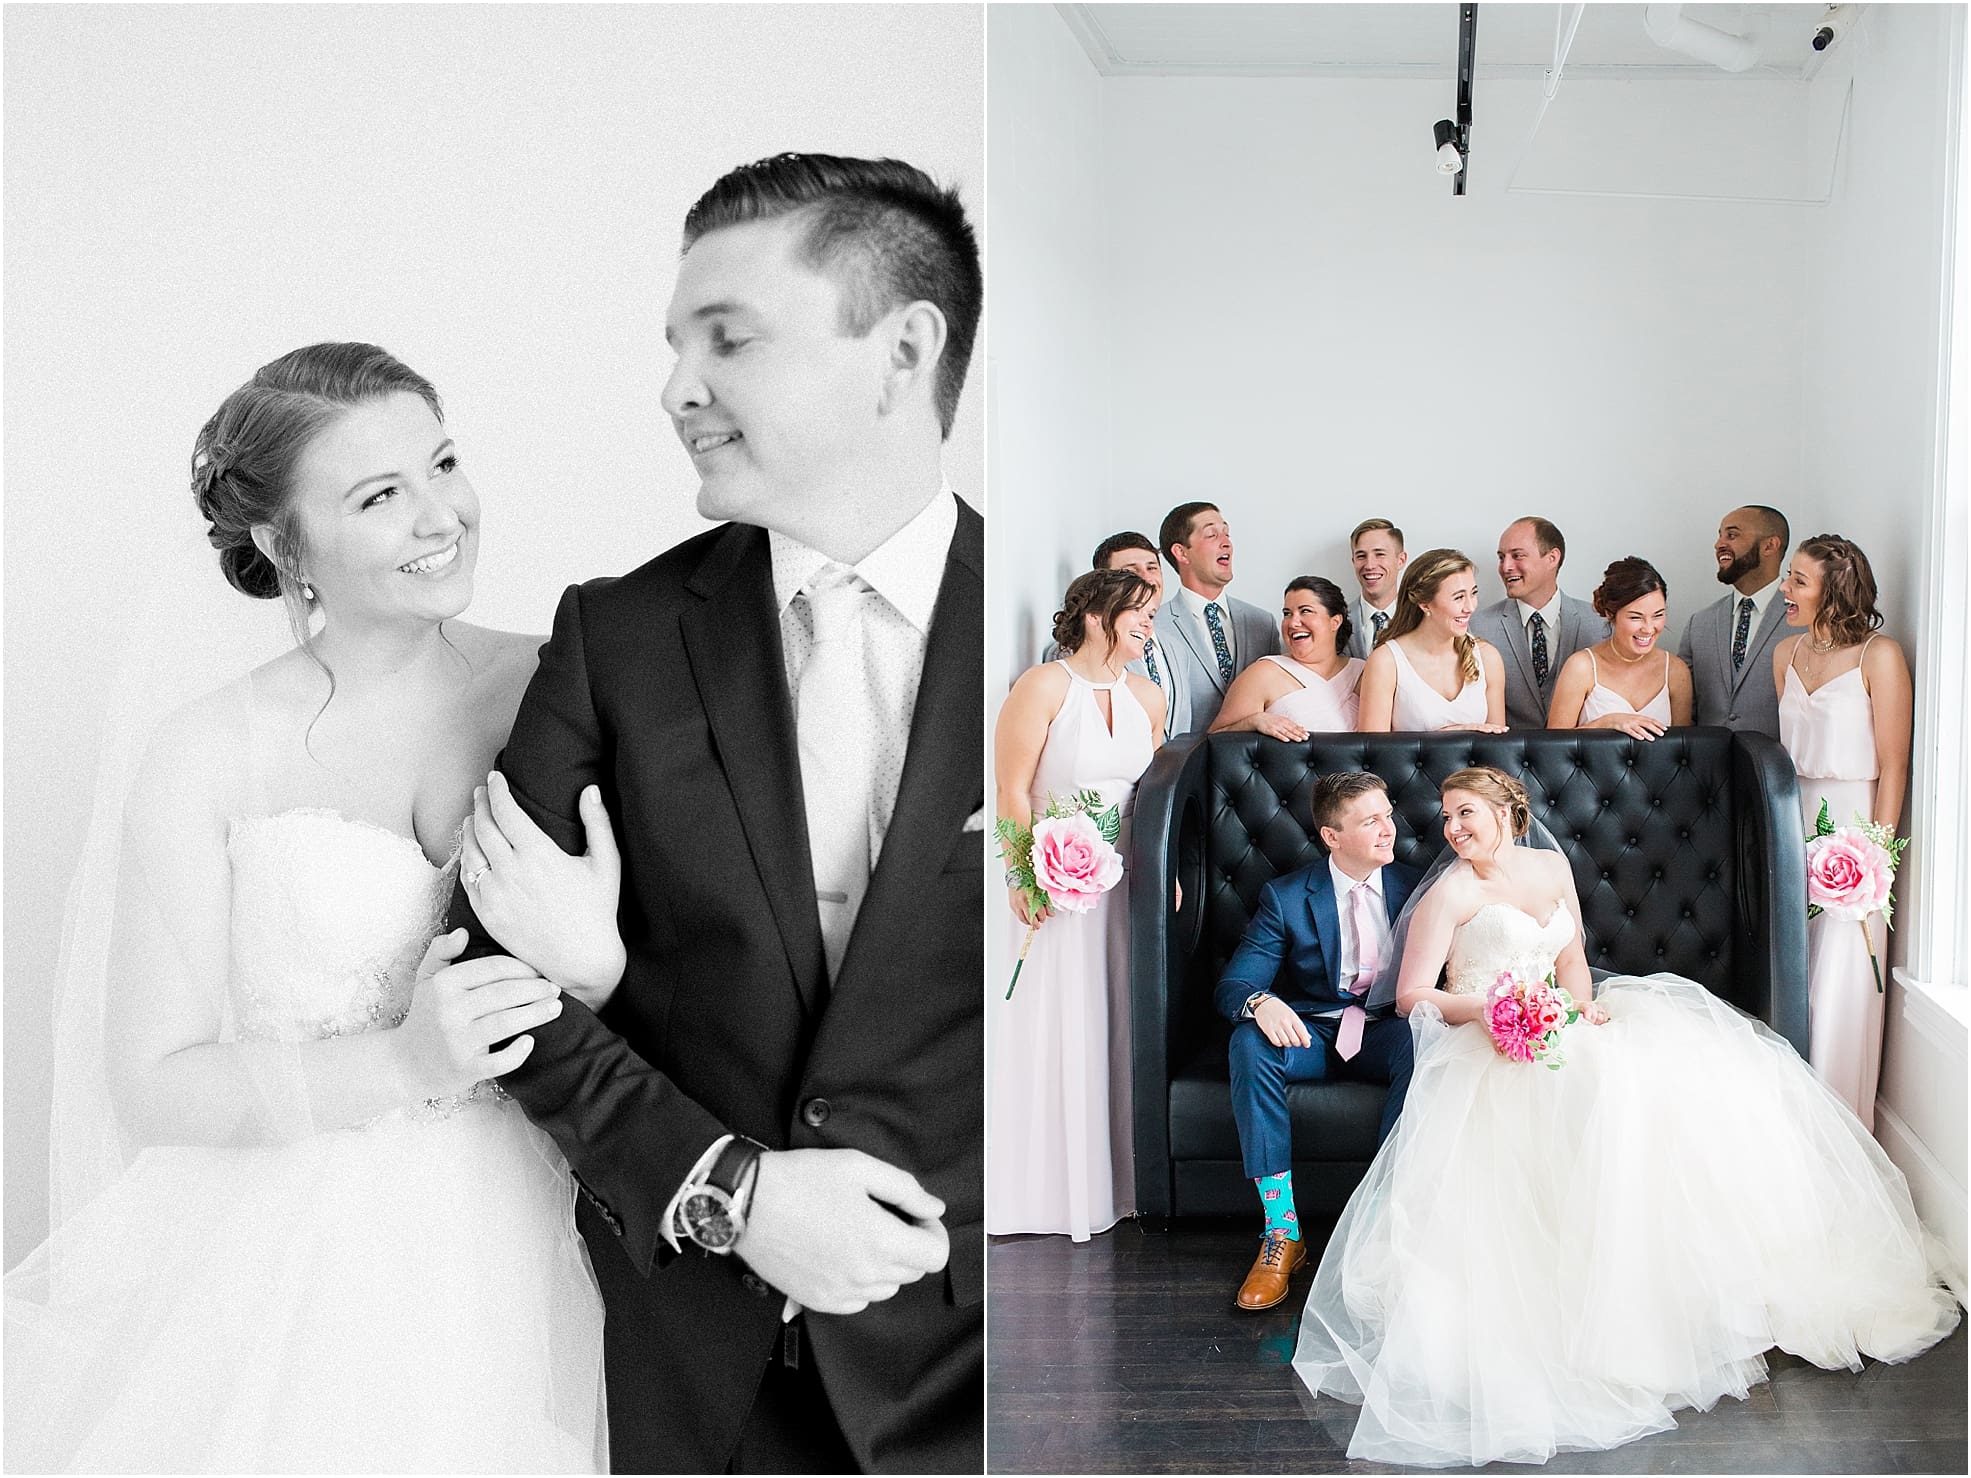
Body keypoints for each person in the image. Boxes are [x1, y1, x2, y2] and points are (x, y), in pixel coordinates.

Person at [444, 154, 984, 1475]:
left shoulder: (1054, 622)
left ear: (900, 349)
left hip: (991, 1364)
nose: (677, 389)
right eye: (675, 344)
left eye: (726, 340)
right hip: (699, 1369)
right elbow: (488, 981)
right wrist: (727, 1190)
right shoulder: (615, 636)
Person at [3, 343, 606, 1473]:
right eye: (382, 495)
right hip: (306, 1256)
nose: (442, 516)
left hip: (561, 1208)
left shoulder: (566, 677)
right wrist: (406, 1062)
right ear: (288, 547)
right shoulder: (206, 752)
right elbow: (151, 1078)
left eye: (443, 462)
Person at [1292, 766, 1958, 1468]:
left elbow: (1572, 959)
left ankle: (1702, 1289)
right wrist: (1501, 1012)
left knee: (1675, 1082)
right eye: (1447, 818)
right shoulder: (1448, 894)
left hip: (1559, 1021)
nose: (1452, 829)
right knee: (1581, 1099)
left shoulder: (1550, 866)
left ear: (1507, 812)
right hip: (1488, 1043)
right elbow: (1412, 998)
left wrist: (1578, 1006)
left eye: (1465, 813)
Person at [986, 568, 1164, 1242]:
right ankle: (1037, 1192)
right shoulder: (1041, 687)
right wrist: (1020, 876)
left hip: (1124, 889)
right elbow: (1011, 790)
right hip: (1051, 885)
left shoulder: (1148, 695)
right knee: (1052, 1023)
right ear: (1097, 615)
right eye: (1139, 613)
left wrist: (1162, 875)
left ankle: (1112, 1184)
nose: (1149, 626)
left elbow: (1149, 801)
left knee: (1111, 1023)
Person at [1214, 772, 1420, 1312]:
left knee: (1428, 1041)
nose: (1387, 829)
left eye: (1387, 815)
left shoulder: (1417, 888)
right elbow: (1236, 983)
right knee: (1248, 1042)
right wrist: (1262, 1002)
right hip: (1315, 1031)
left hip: (1386, 1030)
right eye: (1370, 821)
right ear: (1332, 837)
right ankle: (1282, 1233)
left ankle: (1385, 1225)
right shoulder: (1285, 898)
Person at [1775, 535, 1913, 1131]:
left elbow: (1895, 764)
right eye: (1789, 576)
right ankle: (1784, 1108)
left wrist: (1876, 866)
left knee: (1842, 981)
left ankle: (1833, 1127)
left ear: (1834, 592)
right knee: (1790, 970)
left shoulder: (1879, 657)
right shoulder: (1786, 654)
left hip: (1854, 828)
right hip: (1792, 821)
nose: (1786, 589)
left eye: (1799, 581)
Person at [1151, 501, 1280, 734]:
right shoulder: (1154, 626)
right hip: (1184, 764)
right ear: (1181, 552)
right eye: (1212, 534)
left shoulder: (1263, 624)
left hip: (1250, 764)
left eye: (1227, 533)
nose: (1226, 542)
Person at [1469, 516, 1610, 729]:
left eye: (1517, 556)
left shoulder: (1599, 624)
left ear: (1552, 558)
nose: (1506, 566)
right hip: (1503, 759)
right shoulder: (1477, 627)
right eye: (1501, 557)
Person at [1356, 548, 1507, 733]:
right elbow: (1373, 753)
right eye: (1459, 597)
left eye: (1473, 593)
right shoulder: (1386, 662)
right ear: (1425, 604)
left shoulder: (1487, 657)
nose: (1470, 607)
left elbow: (1499, 747)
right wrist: (1441, 741)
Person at [1042, 531, 1182, 729]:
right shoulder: (1068, 655)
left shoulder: (1176, 647)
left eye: (1152, 568)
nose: (1146, 579)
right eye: (1130, 572)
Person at [1546, 556, 1694, 737]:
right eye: (1635, 617)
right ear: (1610, 613)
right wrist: (1607, 723)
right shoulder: (1581, 667)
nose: (1648, 628)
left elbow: (1684, 749)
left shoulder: (1675, 671)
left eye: (1658, 615)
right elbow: (1553, 746)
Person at [1678, 504, 1792, 736]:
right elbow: (1684, 709)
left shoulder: (1807, 622)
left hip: (1780, 767)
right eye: (1720, 535)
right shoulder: (1699, 624)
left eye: (1732, 535)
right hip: (1710, 768)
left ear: (1770, 545)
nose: (1719, 544)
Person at [1210, 576, 1363, 739]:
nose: (1293, 623)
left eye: (1305, 611)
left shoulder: (1363, 673)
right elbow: (1214, 739)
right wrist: (1253, 721)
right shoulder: (1263, 673)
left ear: (1335, 621)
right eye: (1287, 614)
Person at [1345, 518, 1407, 660]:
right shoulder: (1338, 621)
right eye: (1361, 556)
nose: (1369, 565)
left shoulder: (1422, 618)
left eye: (1379, 554)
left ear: (1401, 560)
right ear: (1353, 561)